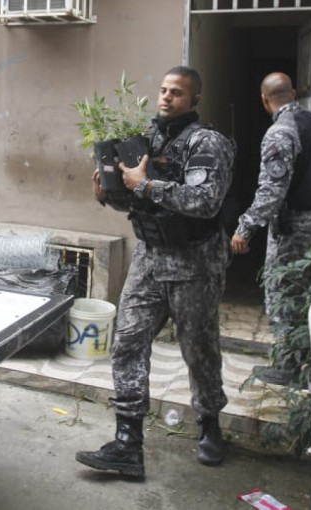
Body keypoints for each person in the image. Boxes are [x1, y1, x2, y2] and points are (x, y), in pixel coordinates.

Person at [76, 66, 235, 480]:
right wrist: (107, 194)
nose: (166, 98)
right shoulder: (145, 140)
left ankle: (209, 424)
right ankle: (128, 443)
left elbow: (205, 201)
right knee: (127, 342)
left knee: (198, 349)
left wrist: (145, 185)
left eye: (177, 93)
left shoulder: (208, 143)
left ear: (194, 99)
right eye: (163, 91)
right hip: (149, 258)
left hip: (194, 264)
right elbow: (132, 201)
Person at [230, 72, 311, 386]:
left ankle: (288, 367)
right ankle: (303, 362)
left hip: (294, 226)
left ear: (264, 99)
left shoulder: (280, 133)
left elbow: (272, 190)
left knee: (282, 294)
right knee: (303, 292)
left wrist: (244, 228)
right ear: (295, 92)